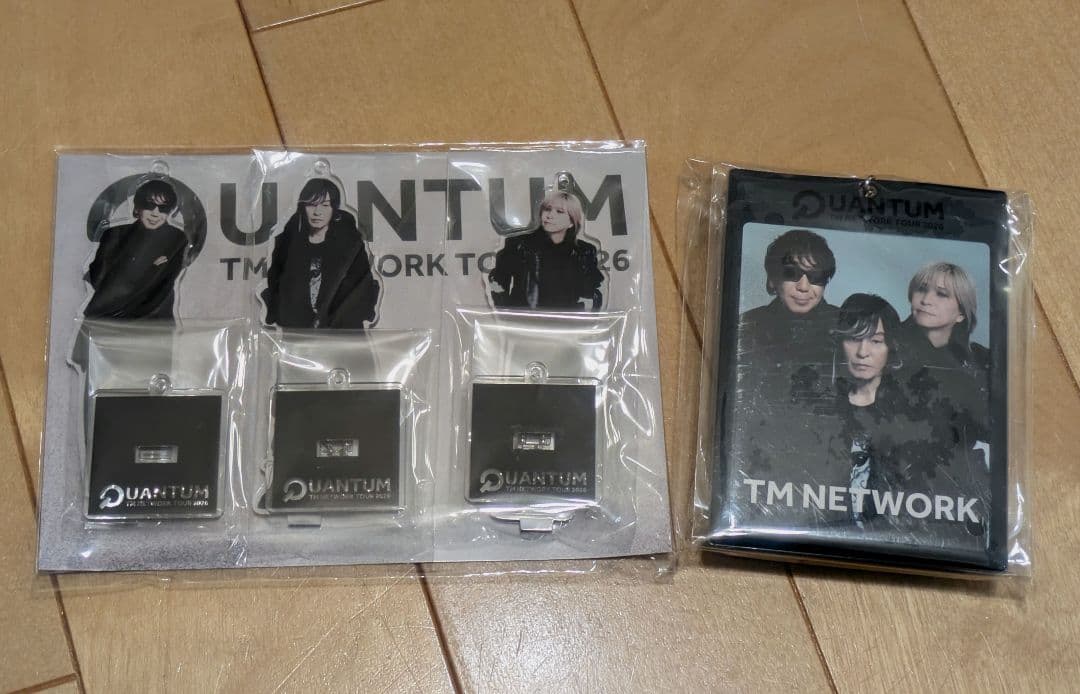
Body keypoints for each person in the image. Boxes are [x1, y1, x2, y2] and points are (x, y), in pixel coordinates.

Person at [831, 293, 989, 538]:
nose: (863, 352)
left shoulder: (916, 412)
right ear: (840, 343)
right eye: (854, 338)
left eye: (876, 341)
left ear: (891, 347)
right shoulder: (824, 408)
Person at [737, 229, 839, 407]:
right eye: (792, 274)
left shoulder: (844, 325)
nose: (804, 287)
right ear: (773, 278)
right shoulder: (747, 325)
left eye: (815, 276)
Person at [261, 178, 379, 329]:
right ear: (303, 207)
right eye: (311, 204)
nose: (317, 212)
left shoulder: (350, 246)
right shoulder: (287, 244)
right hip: (296, 332)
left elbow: (363, 289)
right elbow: (276, 286)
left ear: (334, 209)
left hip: (342, 331)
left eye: (325, 205)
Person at [899, 261, 990, 451]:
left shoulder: (980, 360)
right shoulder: (885, 347)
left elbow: (992, 430)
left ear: (961, 313)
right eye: (921, 289)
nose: (926, 300)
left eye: (941, 294)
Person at [83, 179, 188, 320]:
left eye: (163, 208)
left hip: (154, 320)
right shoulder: (114, 234)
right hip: (104, 317)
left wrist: (123, 275)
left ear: (170, 211)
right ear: (137, 207)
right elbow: (98, 276)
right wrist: (150, 267)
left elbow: (161, 285)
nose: (155, 213)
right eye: (149, 205)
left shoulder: (176, 238)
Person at [488, 190, 604, 310]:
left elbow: (596, 289)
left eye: (559, 211)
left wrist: (583, 310)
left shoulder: (584, 251)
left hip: (567, 319)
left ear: (571, 222)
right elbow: (497, 282)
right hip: (526, 319)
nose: (550, 215)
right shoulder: (518, 245)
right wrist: (509, 312)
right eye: (547, 209)